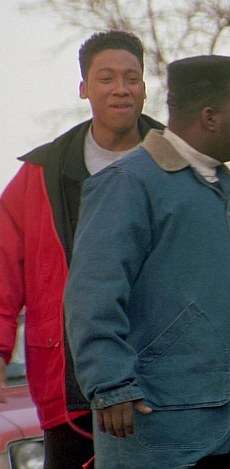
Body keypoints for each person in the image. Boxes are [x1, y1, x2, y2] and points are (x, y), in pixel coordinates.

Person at [63, 55, 230, 468]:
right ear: (209, 117)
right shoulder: (127, 184)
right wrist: (110, 384)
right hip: (161, 432)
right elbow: (92, 294)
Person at [0, 30, 163, 468]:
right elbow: (2, 268)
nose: (121, 88)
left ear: (145, 88)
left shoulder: (181, 163)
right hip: (70, 393)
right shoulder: (43, 174)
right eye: (106, 78)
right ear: (84, 88)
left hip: (170, 387)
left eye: (131, 78)